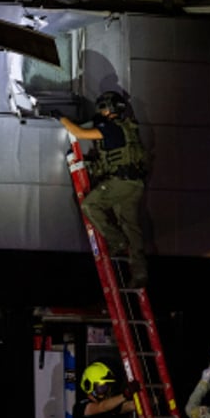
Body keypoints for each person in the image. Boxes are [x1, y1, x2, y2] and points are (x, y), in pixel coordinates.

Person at [53, 91, 150, 288]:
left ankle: (116, 241)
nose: (102, 111)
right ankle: (140, 272)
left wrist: (60, 117)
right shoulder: (127, 128)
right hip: (134, 184)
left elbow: (79, 133)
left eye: (104, 108)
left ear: (111, 109)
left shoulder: (111, 129)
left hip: (120, 182)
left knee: (90, 205)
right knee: (130, 226)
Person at [72, 360, 138, 418]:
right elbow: (101, 407)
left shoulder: (108, 405)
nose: (105, 391)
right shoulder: (81, 407)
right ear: (89, 386)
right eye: (101, 387)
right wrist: (125, 394)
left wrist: (149, 401)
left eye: (107, 386)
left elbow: (127, 406)